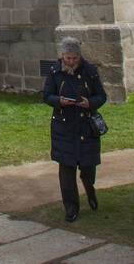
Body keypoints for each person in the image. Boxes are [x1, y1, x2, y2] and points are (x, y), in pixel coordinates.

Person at [42, 36, 107, 222]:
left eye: (74, 58)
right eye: (68, 58)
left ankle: (90, 190)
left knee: (88, 167)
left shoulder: (90, 71)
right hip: (64, 127)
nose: (71, 62)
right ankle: (71, 208)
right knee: (67, 170)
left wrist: (89, 103)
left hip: (86, 126)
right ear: (62, 56)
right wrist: (59, 101)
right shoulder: (55, 72)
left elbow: (101, 96)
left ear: (79, 56)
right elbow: (47, 95)